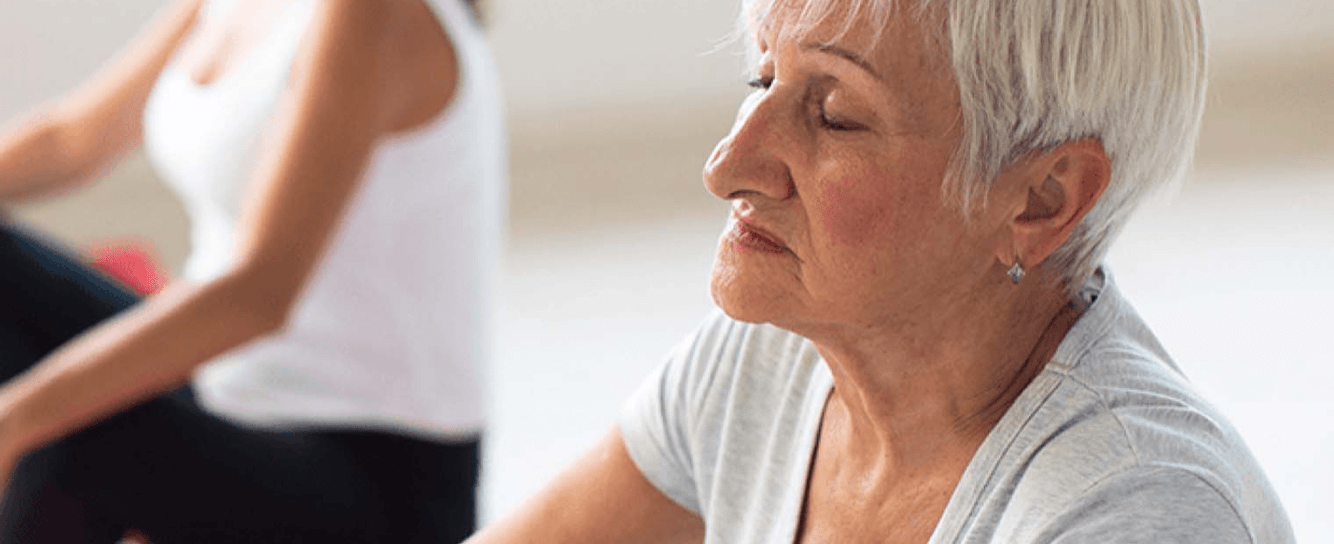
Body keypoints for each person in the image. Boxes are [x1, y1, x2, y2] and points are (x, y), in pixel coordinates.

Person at [466, 0, 1296, 542]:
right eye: (762, 76)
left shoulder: (1137, 509)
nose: (727, 167)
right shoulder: (768, 363)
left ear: (1043, 198)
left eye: (835, 115)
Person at [0, 0, 505, 541]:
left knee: (75, 429)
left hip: (371, 480)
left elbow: (257, 296)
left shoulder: (373, 13)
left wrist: (19, 417)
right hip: (224, 389)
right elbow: (74, 140)